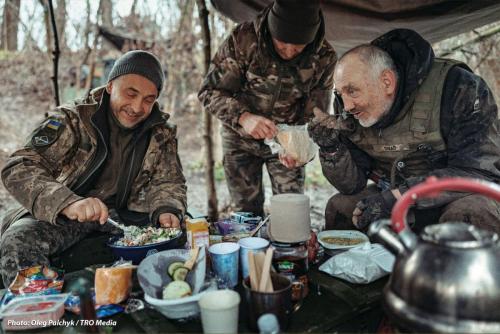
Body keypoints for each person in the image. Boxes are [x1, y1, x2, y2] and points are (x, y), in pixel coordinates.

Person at [0, 50, 187, 286]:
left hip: (122, 216)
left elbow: (169, 182)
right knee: (18, 241)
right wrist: (67, 202)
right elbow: (19, 167)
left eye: (149, 99)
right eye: (131, 93)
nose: (137, 107)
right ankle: (39, 313)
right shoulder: (72, 118)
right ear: (110, 86)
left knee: (182, 232)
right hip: (64, 213)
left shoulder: (161, 132)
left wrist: (167, 209)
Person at [308, 28, 500, 232]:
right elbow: (351, 185)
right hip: (392, 191)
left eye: (352, 91)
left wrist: (398, 197)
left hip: (455, 194)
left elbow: (478, 172)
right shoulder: (349, 108)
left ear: (387, 82)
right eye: (340, 93)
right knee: (341, 207)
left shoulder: (458, 86)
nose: (346, 106)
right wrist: (332, 150)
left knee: (471, 214)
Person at [198, 0, 336, 217]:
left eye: (298, 48)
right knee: (246, 215)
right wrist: (243, 117)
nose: (289, 52)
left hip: (286, 144)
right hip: (239, 140)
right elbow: (210, 91)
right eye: (282, 45)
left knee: (291, 213)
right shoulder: (243, 39)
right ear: (272, 28)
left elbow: (316, 117)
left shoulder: (324, 57)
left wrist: (301, 151)